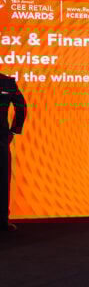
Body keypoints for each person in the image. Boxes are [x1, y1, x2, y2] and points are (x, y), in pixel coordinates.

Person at [0, 73, 26, 232]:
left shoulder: (7, 82)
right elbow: (21, 107)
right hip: (1, 139)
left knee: (3, 180)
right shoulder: (6, 82)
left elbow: (21, 107)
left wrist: (14, 131)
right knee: (2, 181)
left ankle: (3, 220)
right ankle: (2, 221)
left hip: (1, 140)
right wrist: (14, 131)